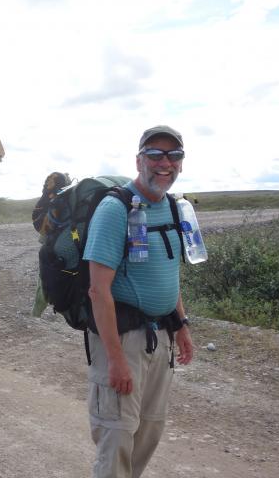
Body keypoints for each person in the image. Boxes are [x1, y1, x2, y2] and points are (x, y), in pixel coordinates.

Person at [83, 125, 195, 477]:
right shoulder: (114, 210)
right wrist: (115, 360)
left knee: (149, 430)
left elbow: (168, 274)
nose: (165, 162)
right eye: (155, 154)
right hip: (123, 339)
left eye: (173, 155)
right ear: (138, 160)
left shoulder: (175, 209)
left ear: (181, 163)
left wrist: (182, 327)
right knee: (117, 435)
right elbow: (98, 290)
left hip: (160, 338)